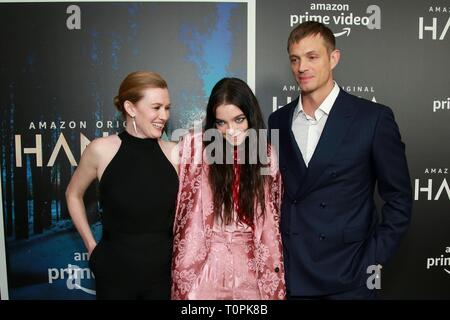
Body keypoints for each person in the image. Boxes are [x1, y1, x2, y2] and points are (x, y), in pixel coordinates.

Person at [268, 21, 412, 299]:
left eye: (312, 57)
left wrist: (371, 259)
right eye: (295, 59)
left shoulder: (372, 119)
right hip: (292, 276)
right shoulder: (278, 120)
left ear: (334, 58)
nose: (302, 68)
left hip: (351, 277)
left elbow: (399, 199)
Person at [65, 71, 179, 299]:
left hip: (163, 277)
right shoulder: (100, 150)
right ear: (130, 108)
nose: (163, 115)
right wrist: (91, 246)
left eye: (167, 108)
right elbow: (72, 194)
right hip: (114, 275)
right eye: (156, 107)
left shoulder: (175, 153)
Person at [171, 77, 285, 300]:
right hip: (203, 266)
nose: (230, 130)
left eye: (239, 120)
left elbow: (275, 210)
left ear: (251, 117)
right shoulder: (194, 148)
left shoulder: (267, 154)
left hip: (252, 268)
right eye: (221, 123)